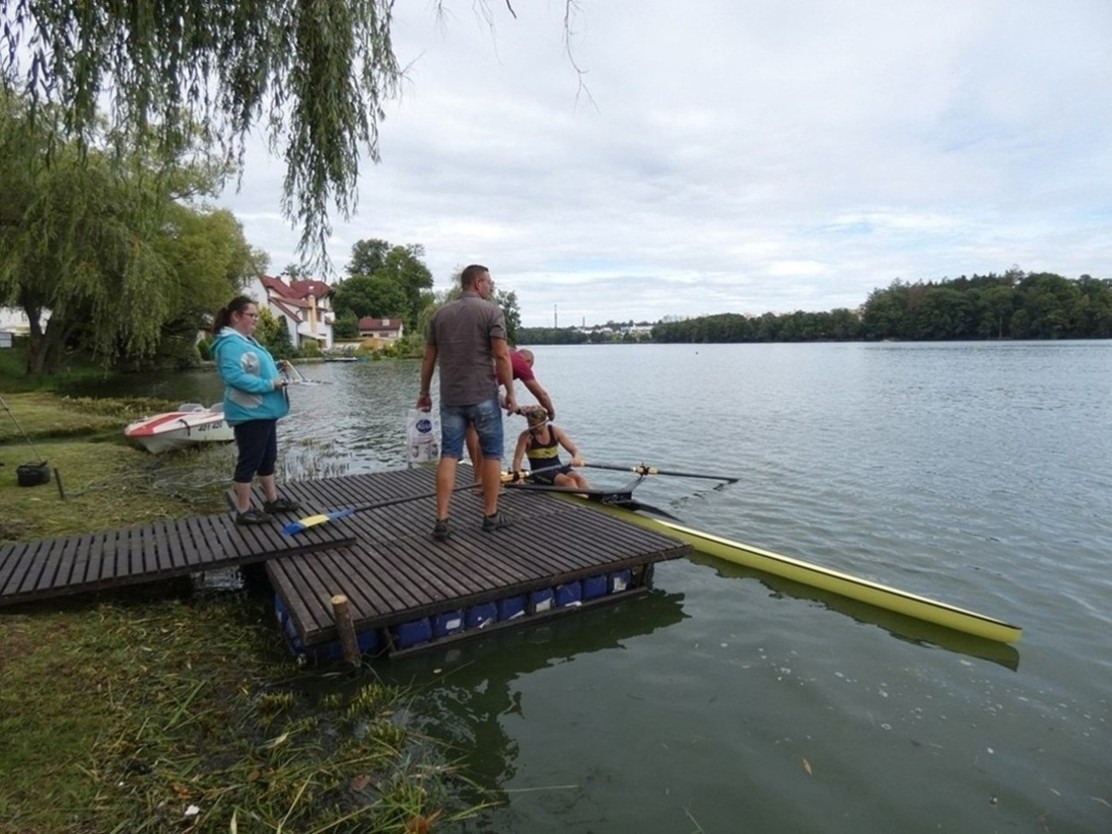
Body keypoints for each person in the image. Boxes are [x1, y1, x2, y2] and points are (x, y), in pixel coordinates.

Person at [417, 264, 518, 541]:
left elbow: (429, 358)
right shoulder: (492, 312)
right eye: (489, 282)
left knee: (449, 454)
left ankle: (442, 520)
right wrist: (511, 392)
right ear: (477, 283)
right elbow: (502, 356)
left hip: (451, 397)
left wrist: (424, 392)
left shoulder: (439, 315)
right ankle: (490, 515)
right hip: (483, 395)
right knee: (493, 454)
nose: (491, 286)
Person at [211, 295, 301, 525]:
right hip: (249, 412)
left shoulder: (246, 341)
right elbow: (234, 377)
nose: (256, 320)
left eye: (256, 316)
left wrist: (275, 368)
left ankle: (272, 501)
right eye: (251, 315)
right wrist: (271, 384)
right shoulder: (230, 343)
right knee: (249, 461)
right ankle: (243, 510)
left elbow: (252, 368)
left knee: (267, 458)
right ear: (236, 316)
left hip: (264, 411)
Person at [511, 406, 591, 490]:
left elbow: (573, 450)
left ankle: (591, 496)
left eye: (535, 425)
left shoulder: (554, 431)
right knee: (568, 482)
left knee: (580, 479)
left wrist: (576, 457)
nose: (532, 428)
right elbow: (517, 459)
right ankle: (580, 497)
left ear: (544, 422)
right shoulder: (525, 437)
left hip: (558, 466)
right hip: (540, 472)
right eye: (530, 424)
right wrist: (518, 476)